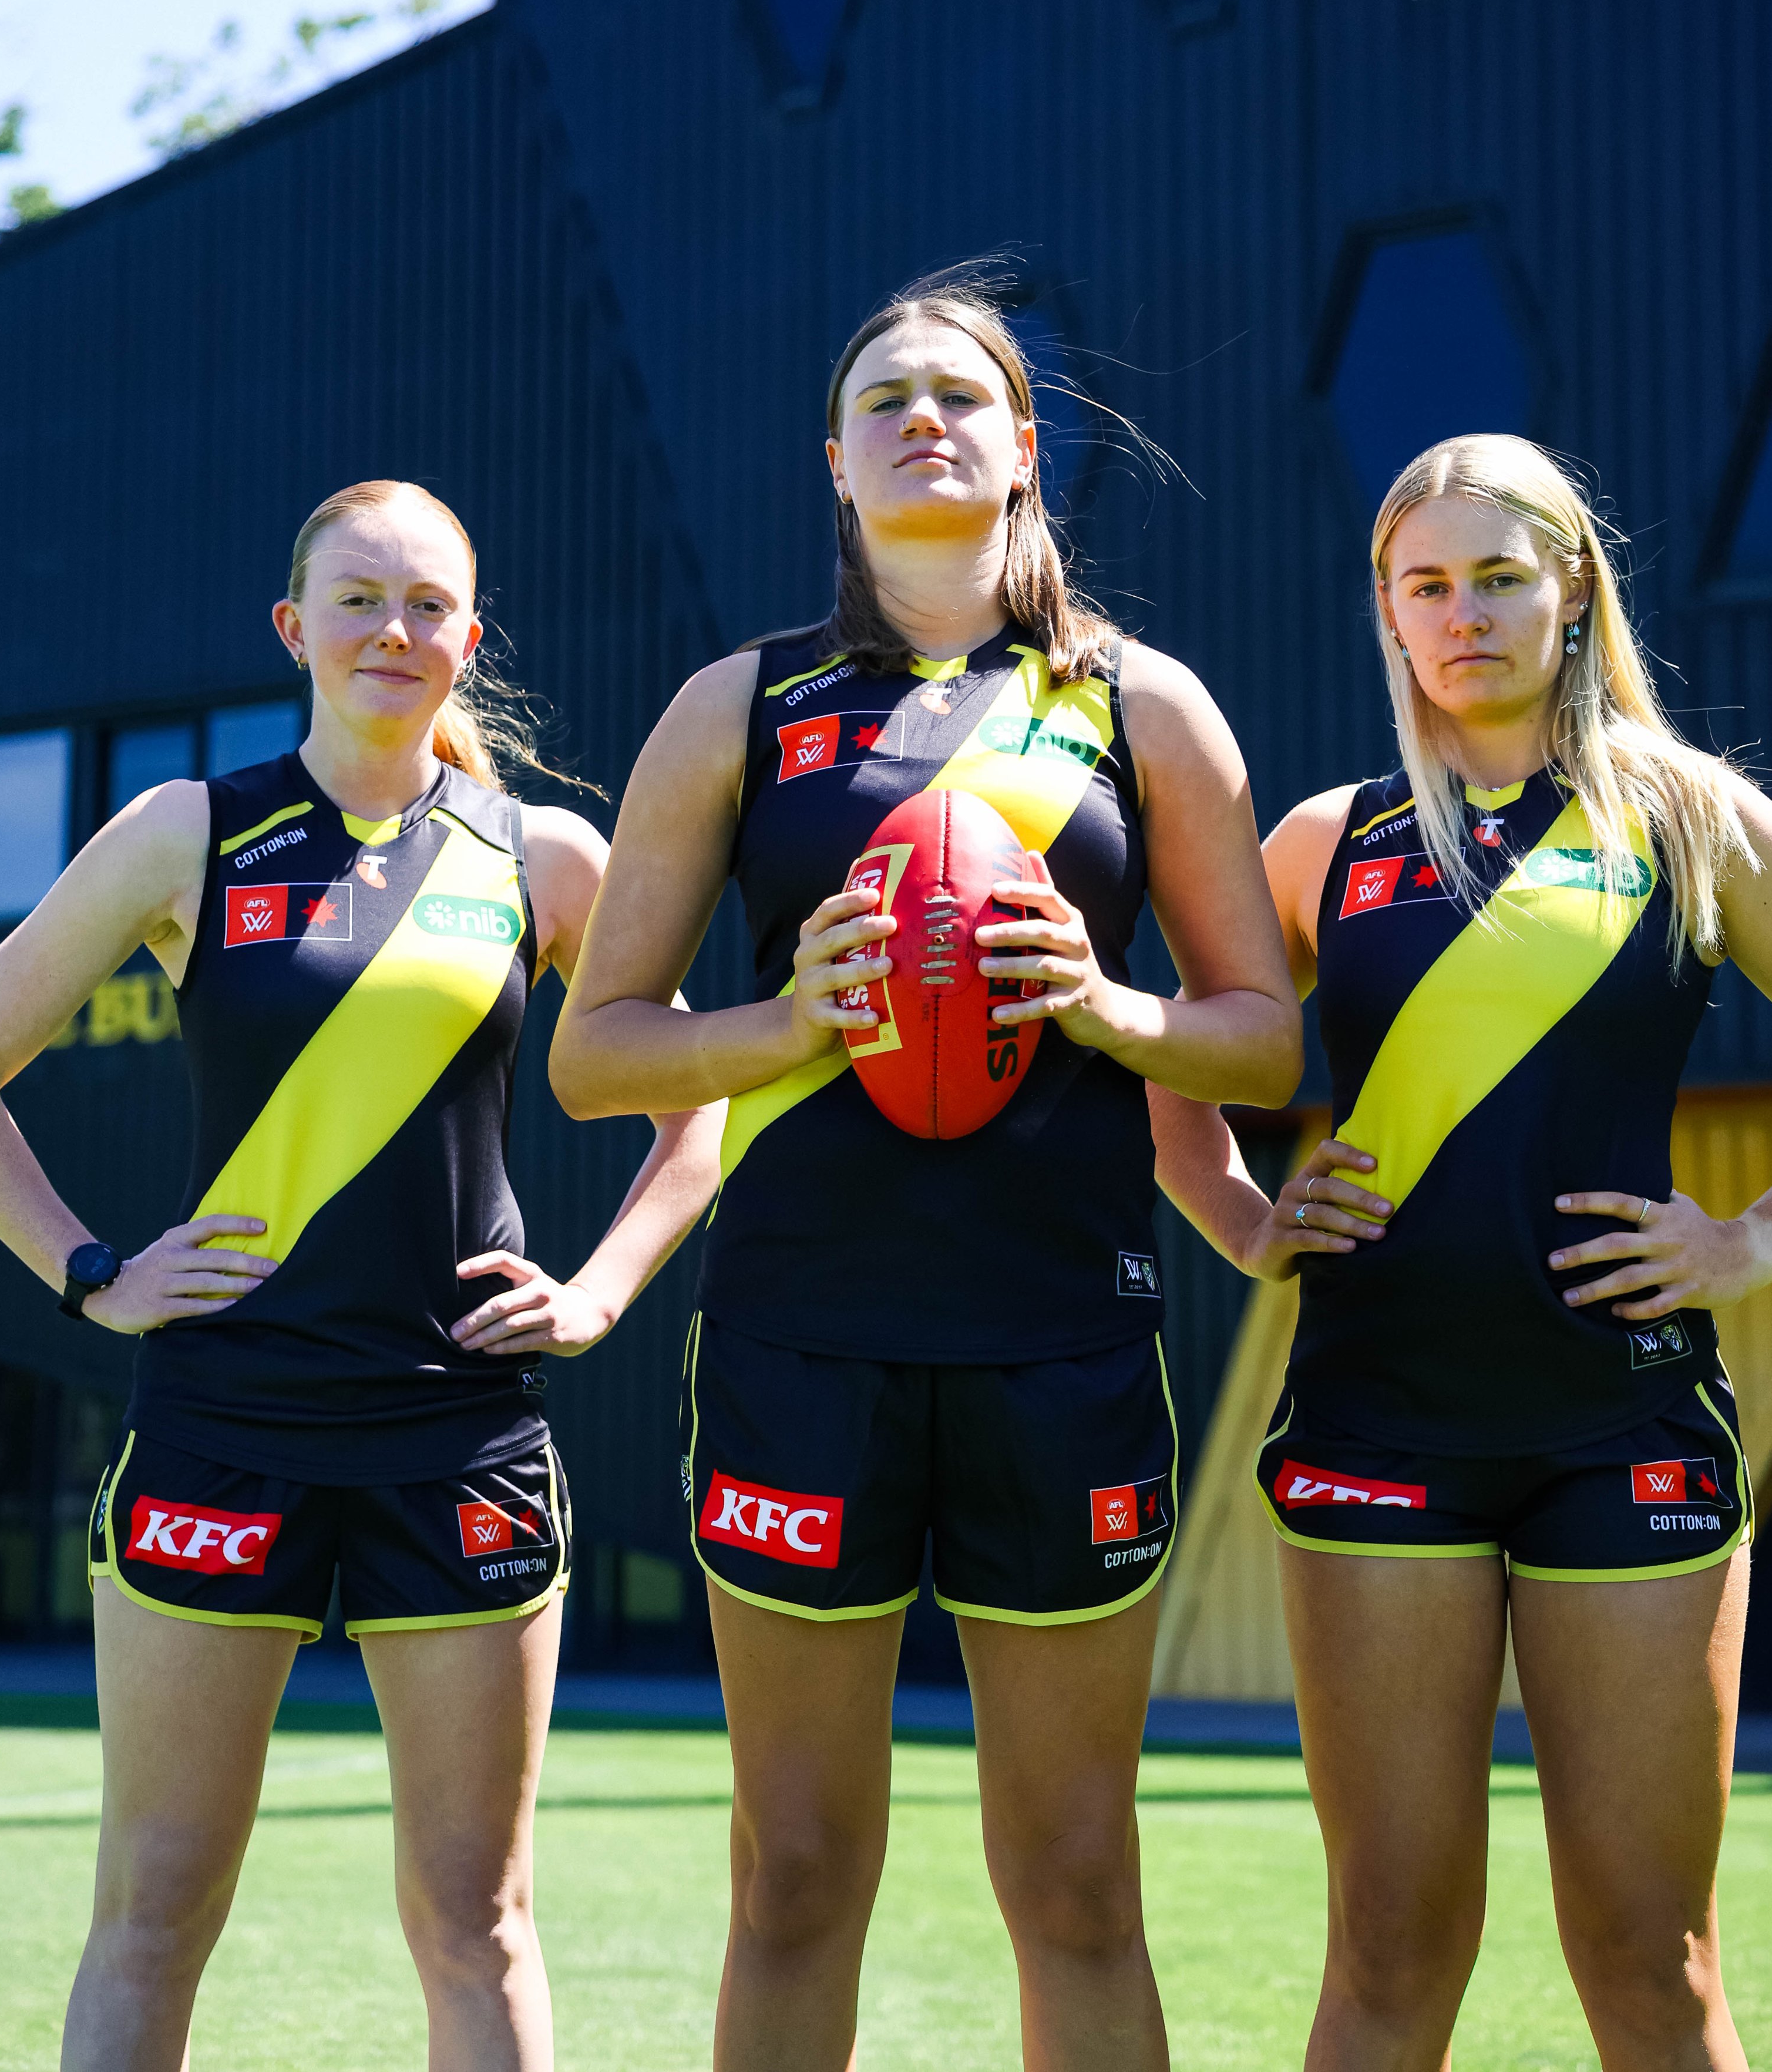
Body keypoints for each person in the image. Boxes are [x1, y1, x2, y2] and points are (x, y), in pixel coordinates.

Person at [549, 271, 1303, 2071]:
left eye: (959, 395)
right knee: (797, 1878)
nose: (921, 420)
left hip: (1062, 1345)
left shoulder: (1141, 705)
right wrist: (787, 1020)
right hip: (802, 1342)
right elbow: (594, 1055)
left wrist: (1107, 1007)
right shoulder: (739, 708)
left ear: (1027, 446)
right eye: (882, 399)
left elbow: (1264, 1043)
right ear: (835, 460)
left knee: (1077, 1884)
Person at [0, 479, 721, 2072]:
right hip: (219, 1424)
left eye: (429, 605)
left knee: (480, 1923)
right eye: (359, 598)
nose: (395, 630)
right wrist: (89, 1272)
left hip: (459, 1433)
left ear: (471, 637)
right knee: (152, 1912)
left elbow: (699, 1106)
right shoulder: (187, 832)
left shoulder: (542, 854)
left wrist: (600, 1290)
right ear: (294, 627)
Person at [1151, 435, 1772, 2070]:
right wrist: (1248, 1223)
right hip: (1379, 1426)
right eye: (1427, 584)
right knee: (1389, 1949)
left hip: (1627, 1431)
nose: (1466, 615)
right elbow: (1178, 1075)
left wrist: (1751, 1243)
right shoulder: (1328, 840)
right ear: (1388, 609)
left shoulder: (1688, 817)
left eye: (1502, 577)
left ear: (1574, 591)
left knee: (1653, 1961)